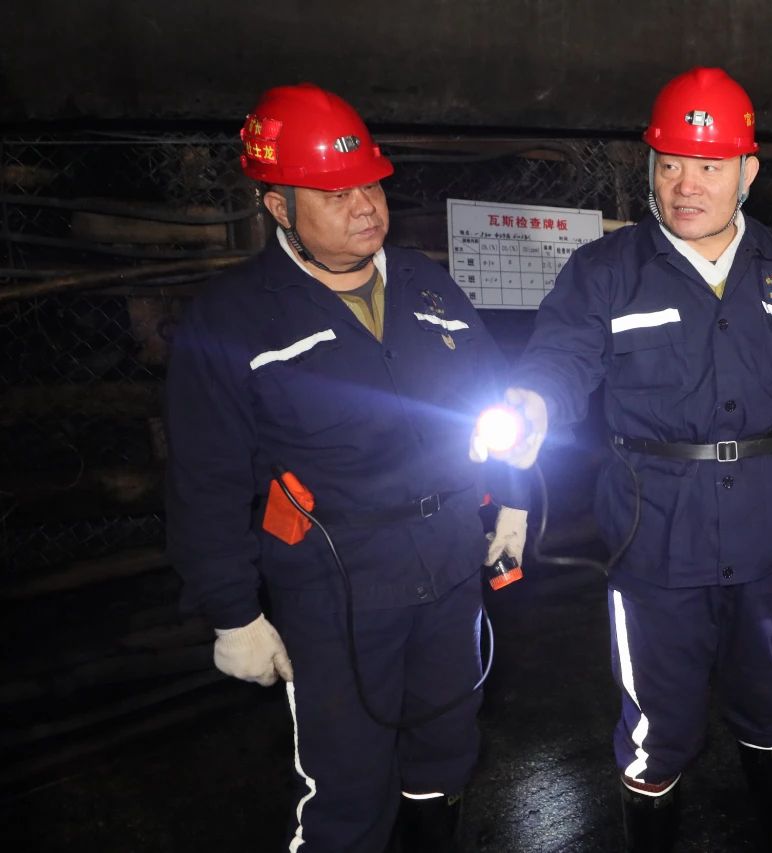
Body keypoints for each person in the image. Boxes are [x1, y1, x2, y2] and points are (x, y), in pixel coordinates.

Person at [470, 67, 772, 852]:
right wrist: (534, 403)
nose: (686, 185)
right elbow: (561, 358)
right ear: (650, 166)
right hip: (655, 530)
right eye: (671, 163)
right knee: (659, 714)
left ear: (747, 171)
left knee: (768, 688)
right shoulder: (607, 272)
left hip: (765, 527)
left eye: (709, 166)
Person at [164, 82, 528, 853]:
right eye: (334, 194)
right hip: (336, 590)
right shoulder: (233, 319)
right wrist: (234, 613)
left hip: (449, 566)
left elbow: (496, 402)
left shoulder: (426, 284)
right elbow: (205, 479)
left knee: (446, 754)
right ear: (279, 206)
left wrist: (515, 498)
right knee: (349, 789)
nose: (363, 205)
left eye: (370, 184)